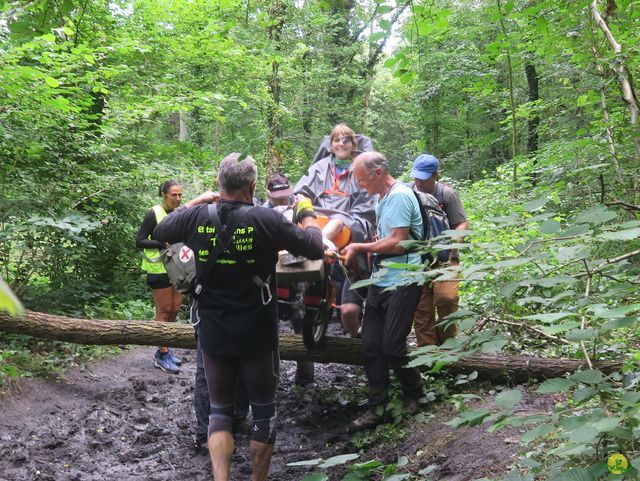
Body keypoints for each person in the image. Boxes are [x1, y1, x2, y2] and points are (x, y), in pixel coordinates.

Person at [154, 153, 323, 481]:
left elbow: (162, 228)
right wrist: (307, 212)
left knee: (219, 412)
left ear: (219, 183)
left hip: (214, 329)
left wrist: (198, 201)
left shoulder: (196, 217)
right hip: (257, 329)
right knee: (263, 410)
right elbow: (314, 246)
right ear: (253, 185)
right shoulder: (266, 219)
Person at [342, 152, 424, 432]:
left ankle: (416, 392)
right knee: (371, 346)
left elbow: (400, 244)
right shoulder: (381, 198)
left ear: (377, 173)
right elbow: (384, 238)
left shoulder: (400, 196)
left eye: (362, 180)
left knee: (392, 347)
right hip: (381, 277)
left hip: (404, 278)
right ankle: (378, 407)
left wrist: (359, 247)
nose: (360, 185)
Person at [294, 123, 376, 337]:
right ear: (330, 145)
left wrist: (346, 217)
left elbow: (367, 204)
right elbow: (301, 191)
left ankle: (314, 246)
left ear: (353, 144)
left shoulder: (361, 169)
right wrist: (303, 203)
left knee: (338, 221)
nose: (341, 143)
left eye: (346, 140)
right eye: (337, 140)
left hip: (351, 221)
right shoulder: (319, 167)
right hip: (318, 218)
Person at [410, 154, 468, 347]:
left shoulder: (446, 194)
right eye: (416, 177)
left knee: (446, 298)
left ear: (435, 175)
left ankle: (448, 346)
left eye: (424, 178)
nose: (419, 182)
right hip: (417, 260)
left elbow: (461, 223)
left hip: (445, 257)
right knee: (421, 307)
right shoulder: (408, 193)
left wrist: (451, 244)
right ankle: (427, 352)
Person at [263, 173, 315, 386]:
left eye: (286, 195)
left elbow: (313, 229)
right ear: (268, 193)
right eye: (278, 197)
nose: (283, 200)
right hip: (267, 277)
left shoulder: (300, 206)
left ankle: (305, 377)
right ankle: (267, 376)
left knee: (302, 323)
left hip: (297, 272)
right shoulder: (259, 210)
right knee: (265, 326)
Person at [135, 180, 185, 374]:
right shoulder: (153, 213)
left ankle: (167, 348)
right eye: (174, 195)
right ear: (164, 195)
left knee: (174, 309)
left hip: (178, 269)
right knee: (164, 310)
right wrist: (161, 243)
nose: (178, 199)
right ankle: (161, 353)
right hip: (158, 270)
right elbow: (139, 241)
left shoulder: (181, 213)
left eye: (180, 195)